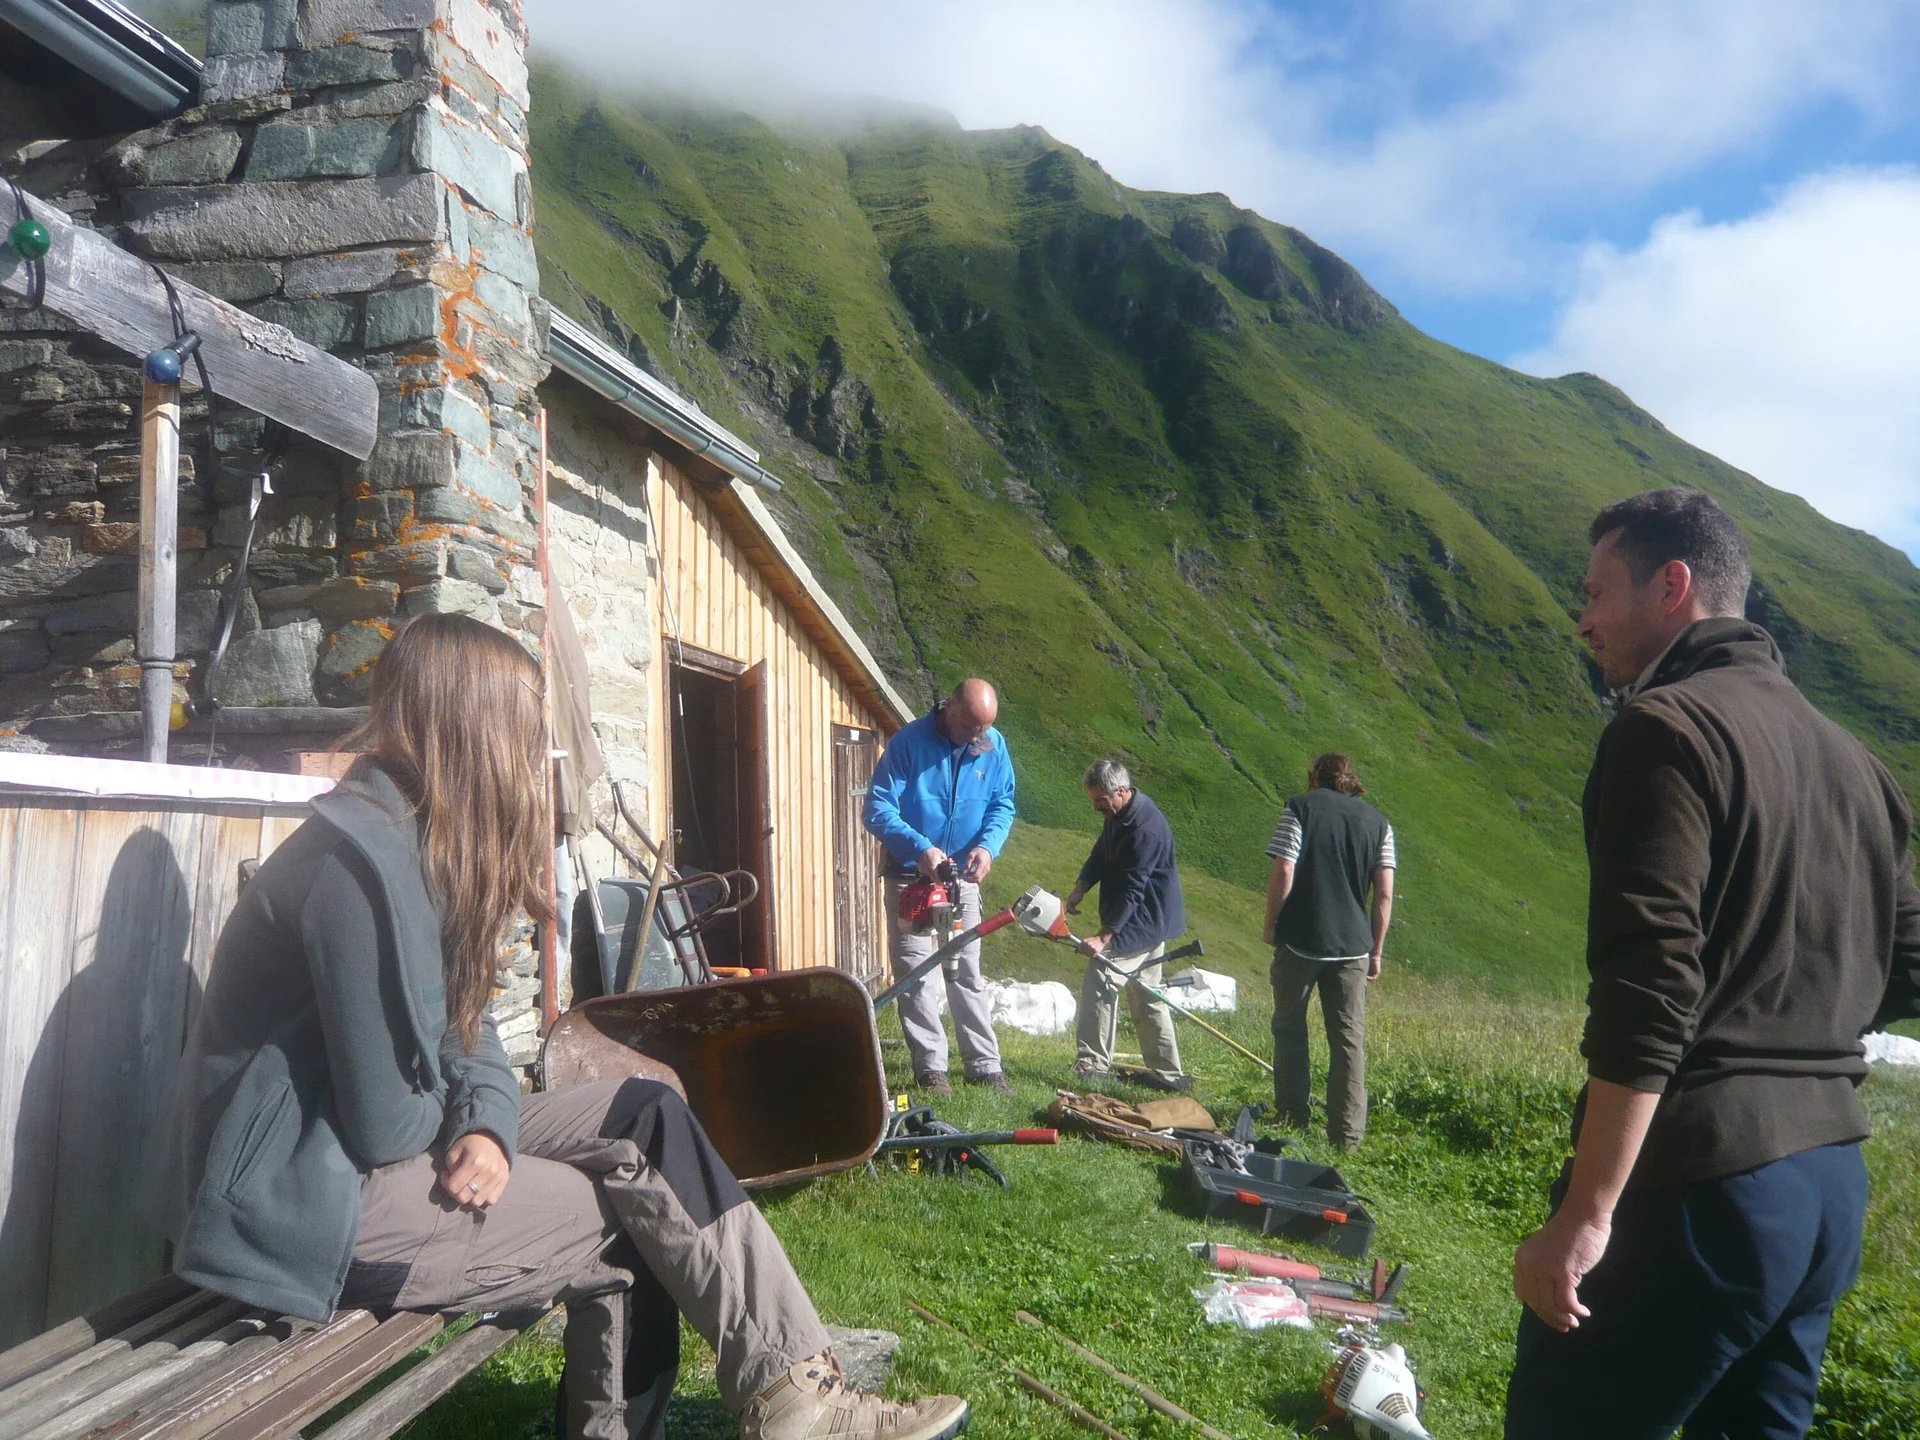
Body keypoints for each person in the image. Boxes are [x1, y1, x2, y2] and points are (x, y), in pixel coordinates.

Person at [160, 614, 968, 1440]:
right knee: (629, 1216)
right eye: (524, 727)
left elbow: (465, 1030)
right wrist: (470, 1121)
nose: (535, 754)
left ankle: (797, 1387)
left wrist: (488, 1121)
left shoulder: (410, 841)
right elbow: (386, 1126)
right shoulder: (358, 871)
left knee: (645, 1113)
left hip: (347, 1162)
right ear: (472, 727)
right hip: (304, 1207)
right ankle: (761, 1407)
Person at [1506, 488, 1920, 1440]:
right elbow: (1909, 963)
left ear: (1673, 585)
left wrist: (1587, 1213)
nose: (1582, 621)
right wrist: (1797, 1024)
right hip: (1828, 1189)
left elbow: (1650, 987)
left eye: (1597, 593)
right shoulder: (1857, 763)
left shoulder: (1666, 729)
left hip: (1702, 1181)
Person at [862, 678, 1016, 1096]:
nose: (977, 737)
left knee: (966, 968)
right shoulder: (908, 743)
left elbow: (1002, 803)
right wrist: (920, 849)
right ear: (949, 707)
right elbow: (876, 808)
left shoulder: (993, 746)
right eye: (969, 727)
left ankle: (984, 1066)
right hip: (911, 878)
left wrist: (988, 847)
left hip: (962, 879)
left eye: (984, 728)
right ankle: (931, 1068)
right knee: (916, 971)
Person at [1263, 752, 1395, 1150]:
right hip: (1353, 945)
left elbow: (1284, 868)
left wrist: (1272, 924)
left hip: (1302, 939)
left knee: (1290, 1028)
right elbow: (1384, 894)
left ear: (1314, 776)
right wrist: (1376, 950)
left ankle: (1293, 1117)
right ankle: (1347, 1135)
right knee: (1348, 1039)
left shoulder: (1299, 808)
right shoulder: (1379, 823)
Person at [1064, 758, 1189, 1091]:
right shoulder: (1119, 816)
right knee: (1147, 994)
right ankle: (1167, 1073)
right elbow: (1101, 851)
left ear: (1121, 791)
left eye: (1100, 801)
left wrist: (1104, 937)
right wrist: (1081, 886)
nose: (1096, 808)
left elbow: (1134, 889)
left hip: (1143, 921)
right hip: (1147, 920)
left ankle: (1092, 1065)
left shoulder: (1146, 829)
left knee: (1101, 974)